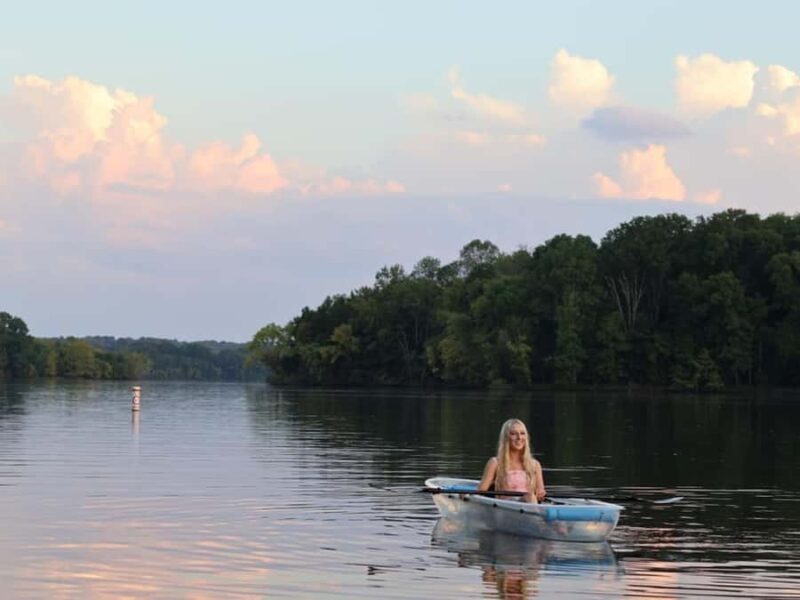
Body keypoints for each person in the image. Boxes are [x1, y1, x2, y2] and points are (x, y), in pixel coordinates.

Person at [478, 418, 546, 503]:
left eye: (522, 433)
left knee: (530, 497)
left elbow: (541, 493)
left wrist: (541, 493)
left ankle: (535, 513)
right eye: (513, 434)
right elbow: (480, 492)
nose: (519, 437)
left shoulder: (535, 465)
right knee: (530, 497)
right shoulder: (495, 463)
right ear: (506, 438)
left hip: (529, 504)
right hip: (506, 507)